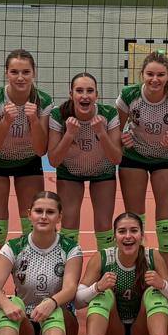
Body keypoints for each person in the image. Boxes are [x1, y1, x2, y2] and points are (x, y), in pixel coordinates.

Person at [0, 190, 83, 335]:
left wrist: (52, 302)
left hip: (62, 324)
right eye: (39, 211)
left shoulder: (70, 248)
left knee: (54, 306)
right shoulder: (13, 247)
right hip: (26, 325)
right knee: (11, 302)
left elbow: (70, 288)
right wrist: (5, 303)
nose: (44, 216)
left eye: (50, 212)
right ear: (29, 214)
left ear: (59, 217)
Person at [74, 211, 168, 335]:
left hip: (143, 333)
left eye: (134, 230)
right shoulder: (102, 258)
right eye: (122, 231)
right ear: (115, 236)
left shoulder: (152, 257)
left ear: (142, 235)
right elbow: (77, 301)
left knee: (154, 292)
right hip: (112, 333)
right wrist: (97, 287)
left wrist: (162, 285)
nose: (128, 236)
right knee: (103, 294)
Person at [116, 52, 168, 279]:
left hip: (164, 160)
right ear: (142, 74)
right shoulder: (129, 95)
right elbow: (114, 130)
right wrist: (121, 138)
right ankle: (134, 278)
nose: (155, 79)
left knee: (166, 226)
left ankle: (167, 282)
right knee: (134, 224)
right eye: (150, 74)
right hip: (134, 158)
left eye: (161, 75)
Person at [0, 50, 52, 284]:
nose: (20, 77)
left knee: (33, 228)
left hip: (28, 162)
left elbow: (40, 150)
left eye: (25, 72)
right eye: (14, 72)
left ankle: (29, 286)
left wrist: (33, 119)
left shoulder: (43, 101)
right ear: (6, 74)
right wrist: (7, 121)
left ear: (34, 73)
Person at [47, 72, 123, 252]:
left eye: (90, 91)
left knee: (104, 225)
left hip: (102, 171)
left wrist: (101, 133)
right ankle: (67, 265)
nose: (85, 95)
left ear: (97, 95)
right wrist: (69, 134)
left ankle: (106, 265)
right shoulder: (58, 115)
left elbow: (116, 158)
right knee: (69, 222)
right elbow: (54, 161)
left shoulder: (108, 113)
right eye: (79, 90)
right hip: (70, 172)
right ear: (71, 94)